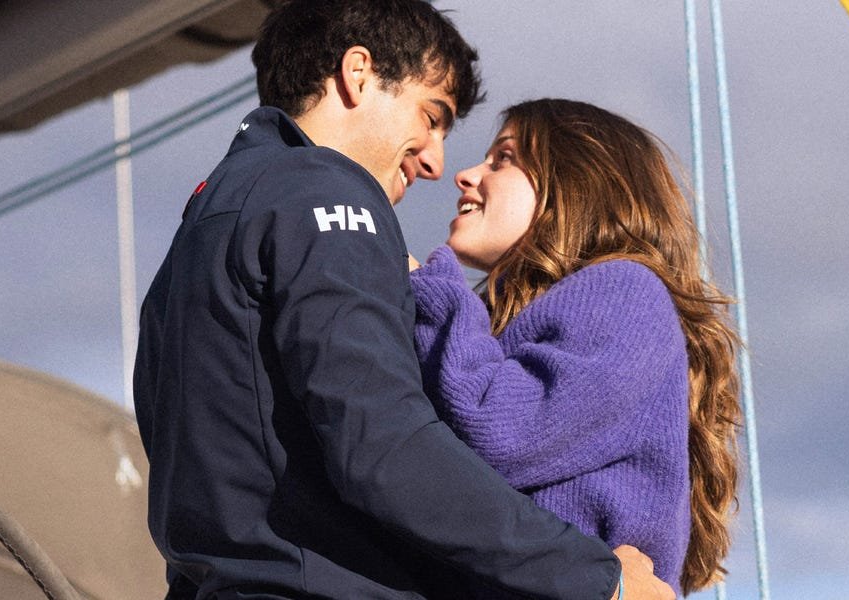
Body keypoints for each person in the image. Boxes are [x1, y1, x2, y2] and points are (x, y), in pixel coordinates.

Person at [134, 1, 676, 599]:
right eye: (432, 115)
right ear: (358, 73)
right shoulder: (326, 190)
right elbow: (385, 446)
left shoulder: (205, 224)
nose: (439, 164)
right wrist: (601, 581)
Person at [410, 99, 743, 596]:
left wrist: (429, 291)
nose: (466, 175)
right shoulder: (506, 324)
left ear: (576, 183)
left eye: (503, 159)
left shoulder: (625, 291)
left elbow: (499, 433)